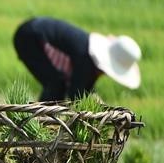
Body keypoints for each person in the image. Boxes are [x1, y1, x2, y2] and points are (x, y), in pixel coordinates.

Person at [13, 16, 142, 101]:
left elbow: (85, 88)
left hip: (33, 29)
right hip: (29, 37)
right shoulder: (86, 58)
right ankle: (38, 123)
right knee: (56, 84)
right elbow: (76, 93)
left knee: (58, 85)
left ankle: (42, 122)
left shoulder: (90, 60)